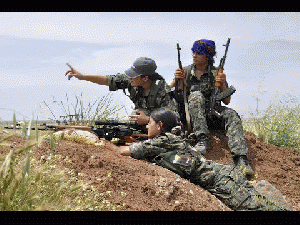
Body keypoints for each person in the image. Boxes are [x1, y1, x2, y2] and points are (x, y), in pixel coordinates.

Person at [118, 108, 288, 211]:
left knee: (256, 208)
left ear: (160, 126)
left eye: (150, 123)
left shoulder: (164, 141)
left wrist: (104, 142)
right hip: (224, 174)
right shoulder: (171, 139)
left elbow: (127, 151)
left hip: (222, 182)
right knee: (262, 204)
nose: (147, 126)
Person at [170, 39, 254, 178]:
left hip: (211, 114)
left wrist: (222, 85)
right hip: (190, 116)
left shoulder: (216, 73)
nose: (194, 55)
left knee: (231, 114)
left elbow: (226, 101)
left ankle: (241, 159)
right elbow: (171, 93)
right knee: (196, 95)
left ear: (207, 56)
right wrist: (175, 81)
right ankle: (202, 140)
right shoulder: (185, 71)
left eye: (199, 53)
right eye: (193, 52)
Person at [66, 57, 178, 127]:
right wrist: (82, 76)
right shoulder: (132, 80)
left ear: (145, 78)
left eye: (134, 75)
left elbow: (174, 119)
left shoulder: (162, 90)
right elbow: (107, 80)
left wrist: (148, 120)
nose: (130, 78)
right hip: (143, 120)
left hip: (158, 123)